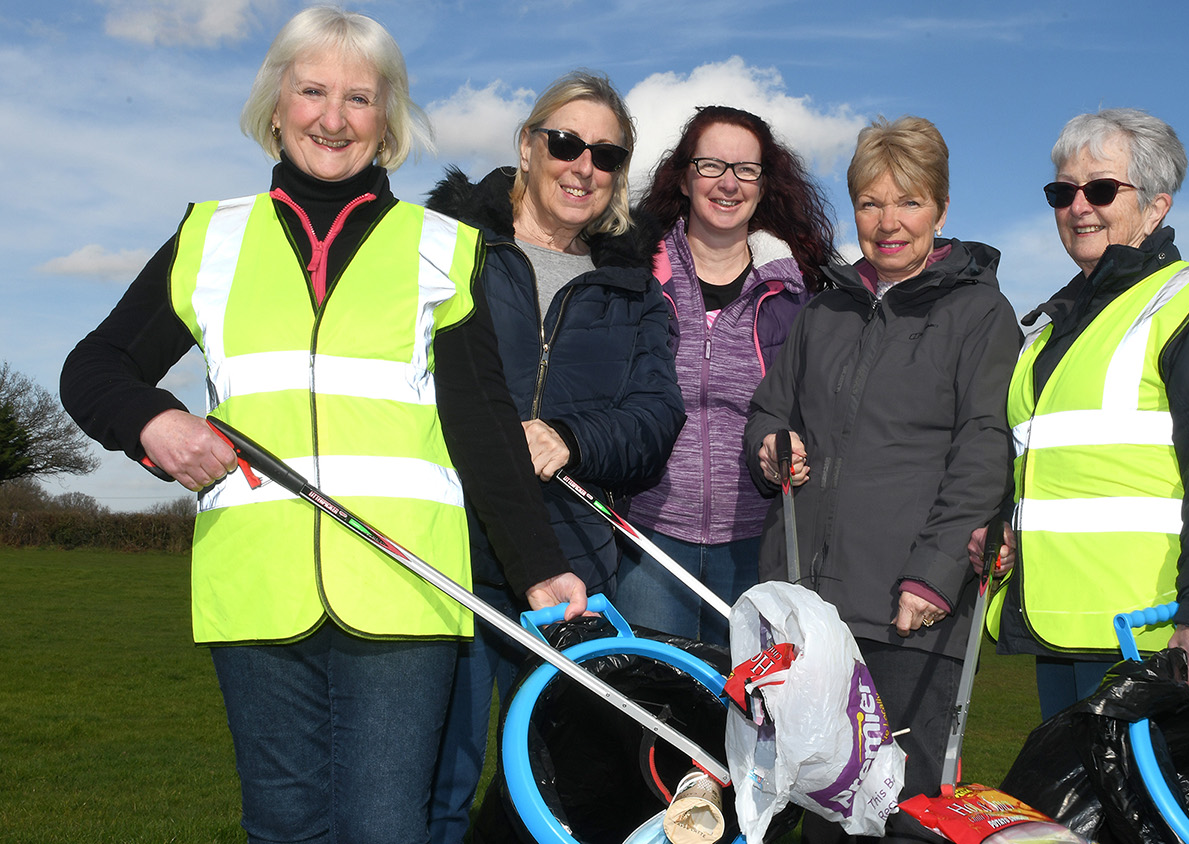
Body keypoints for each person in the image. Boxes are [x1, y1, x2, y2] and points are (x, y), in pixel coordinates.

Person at [58, 7, 585, 844]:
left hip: (404, 593)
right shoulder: (208, 237)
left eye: (360, 98)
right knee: (281, 828)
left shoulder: (440, 248)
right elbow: (93, 368)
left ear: (388, 120)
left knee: (384, 829)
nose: (333, 118)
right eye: (312, 91)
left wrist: (538, 568)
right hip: (256, 592)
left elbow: (483, 425)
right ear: (276, 105)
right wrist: (154, 424)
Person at [743, 115, 1020, 844]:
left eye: (909, 203)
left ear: (943, 210)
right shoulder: (822, 308)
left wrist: (931, 579)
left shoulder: (981, 315)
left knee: (897, 819)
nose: (888, 222)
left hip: (909, 617)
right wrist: (771, 451)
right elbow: (771, 412)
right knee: (805, 815)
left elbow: (985, 450)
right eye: (870, 203)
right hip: (808, 617)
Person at [424, 71, 684, 844]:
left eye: (606, 155)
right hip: (453, 559)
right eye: (566, 144)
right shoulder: (449, 253)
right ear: (528, 147)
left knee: (557, 794)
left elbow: (654, 418)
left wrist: (571, 436)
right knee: (436, 784)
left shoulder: (634, 289)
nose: (584, 167)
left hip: (574, 575)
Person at [987, 107, 1189, 721]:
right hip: (1059, 628)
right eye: (1063, 192)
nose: (1078, 207)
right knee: (1076, 817)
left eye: (1100, 189)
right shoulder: (1047, 332)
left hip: (1149, 637)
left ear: (1156, 205)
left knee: (1142, 817)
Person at [613, 105, 837, 645]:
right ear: (685, 176)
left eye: (746, 169)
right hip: (647, 538)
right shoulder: (634, 272)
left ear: (765, 185)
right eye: (711, 165)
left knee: (743, 720)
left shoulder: (800, 292)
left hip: (754, 545)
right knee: (651, 713)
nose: (728, 183)